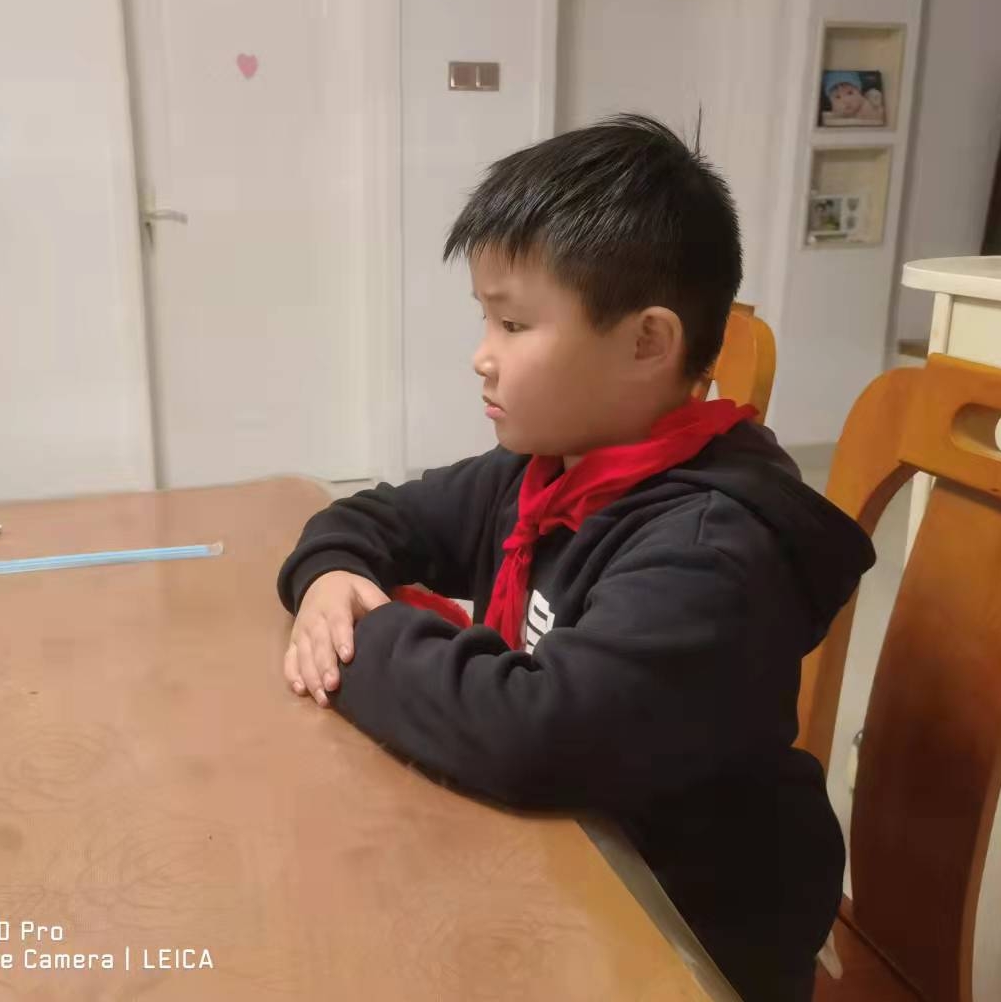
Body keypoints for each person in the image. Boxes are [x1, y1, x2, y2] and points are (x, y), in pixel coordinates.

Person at [276, 114, 875, 1000]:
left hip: (690, 928)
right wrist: (332, 577)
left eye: (514, 323)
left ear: (647, 343)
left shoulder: (712, 552)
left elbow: (536, 737)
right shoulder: (549, 470)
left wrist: (359, 635)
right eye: (485, 318)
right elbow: (373, 517)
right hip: (568, 863)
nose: (481, 357)